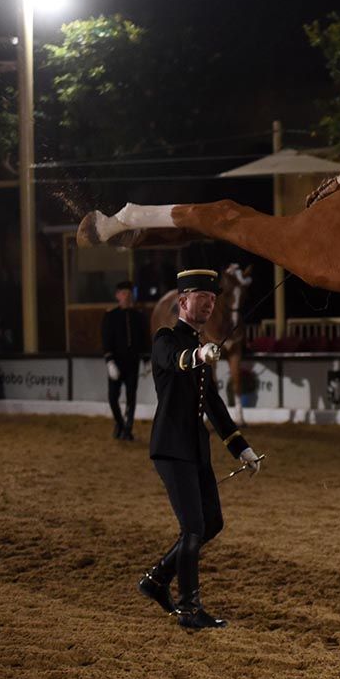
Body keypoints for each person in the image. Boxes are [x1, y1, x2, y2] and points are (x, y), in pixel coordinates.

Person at [137, 268, 263, 630]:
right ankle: (190, 609)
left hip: (196, 449)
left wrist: (241, 448)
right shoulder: (166, 338)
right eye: (201, 298)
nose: (209, 304)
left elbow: (214, 405)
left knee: (212, 523)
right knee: (192, 528)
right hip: (171, 448)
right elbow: (174, 361)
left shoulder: (201, 345)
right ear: (182, 302)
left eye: (212, 300)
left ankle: (156, 580)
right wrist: (198, 354)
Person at [101, 280, 149, 440]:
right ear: (117, 296)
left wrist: (147, 359)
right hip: (116, 362)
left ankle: (128, 429)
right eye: (123, 293)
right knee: (112, 397)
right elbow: (106, 339)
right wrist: (109, 361)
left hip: (132, 363)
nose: (126, 296)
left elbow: (145, 339)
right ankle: (120, 423)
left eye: (129, 293)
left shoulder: (139, 317)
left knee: (131, 397)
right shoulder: (110, 316)